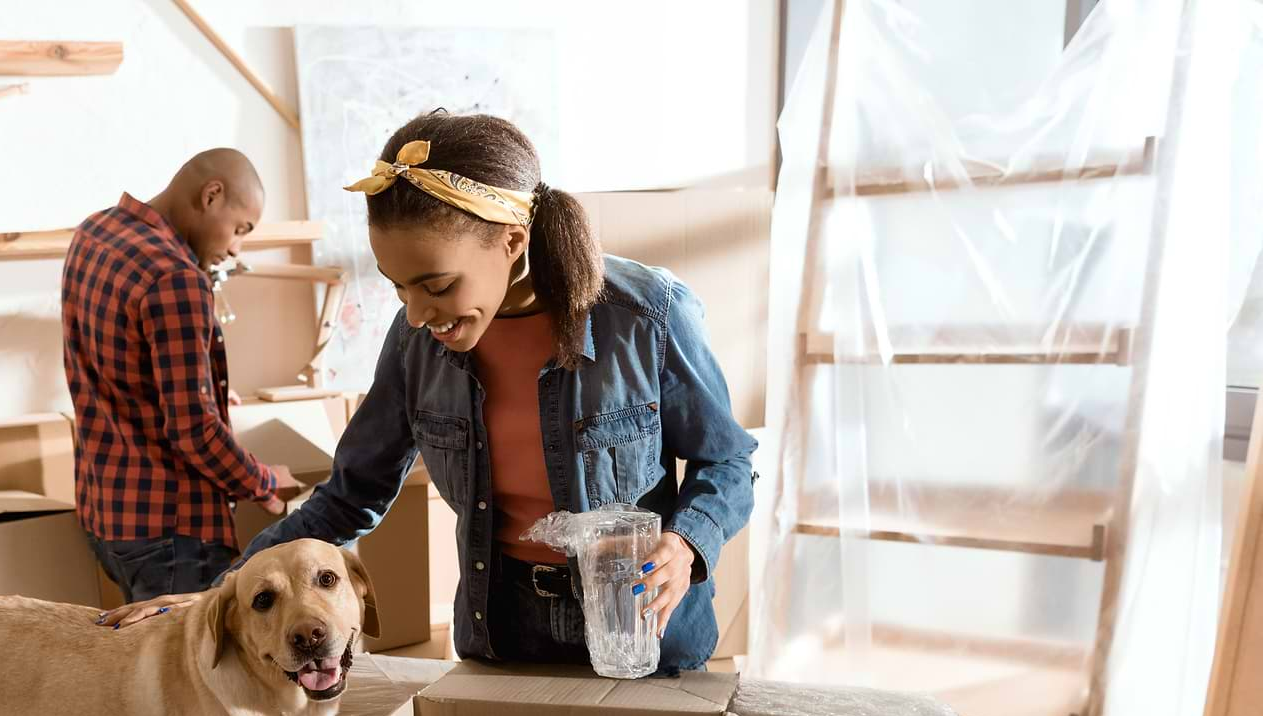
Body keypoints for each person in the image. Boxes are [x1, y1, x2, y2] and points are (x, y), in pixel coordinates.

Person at [103, 112, 755, 675]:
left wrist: (686, 542)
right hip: (505, 630)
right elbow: (352, 494)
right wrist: (214, 595)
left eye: (437, 286)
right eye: (398, 288)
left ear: (513, 241)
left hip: (644, 630)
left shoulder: (645, 314)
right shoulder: (417, 342)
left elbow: (727, 461)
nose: (417, 314)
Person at [62, 147, 301, 604]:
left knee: (149, 664)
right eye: (240, 229)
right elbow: (194, 432)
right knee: (185, 674)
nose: (235, 248)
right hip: (171, 532)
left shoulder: (95, 231)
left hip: (107, 514)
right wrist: (264, 482)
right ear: (211, 195)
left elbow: (114, 365)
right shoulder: (175, 277)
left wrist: (204, 392)